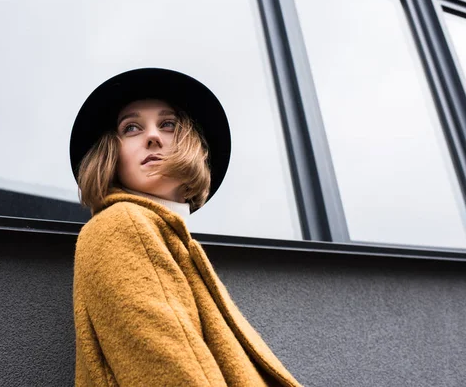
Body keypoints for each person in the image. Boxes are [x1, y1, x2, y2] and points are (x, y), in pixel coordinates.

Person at [70, 68, 302, 387]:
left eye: (168, 124)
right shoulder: (119, 224)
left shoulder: (169, 235)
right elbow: (167, 371)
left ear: (191, 146)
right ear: (111, 153)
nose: (153, 136)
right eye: (131, 128)